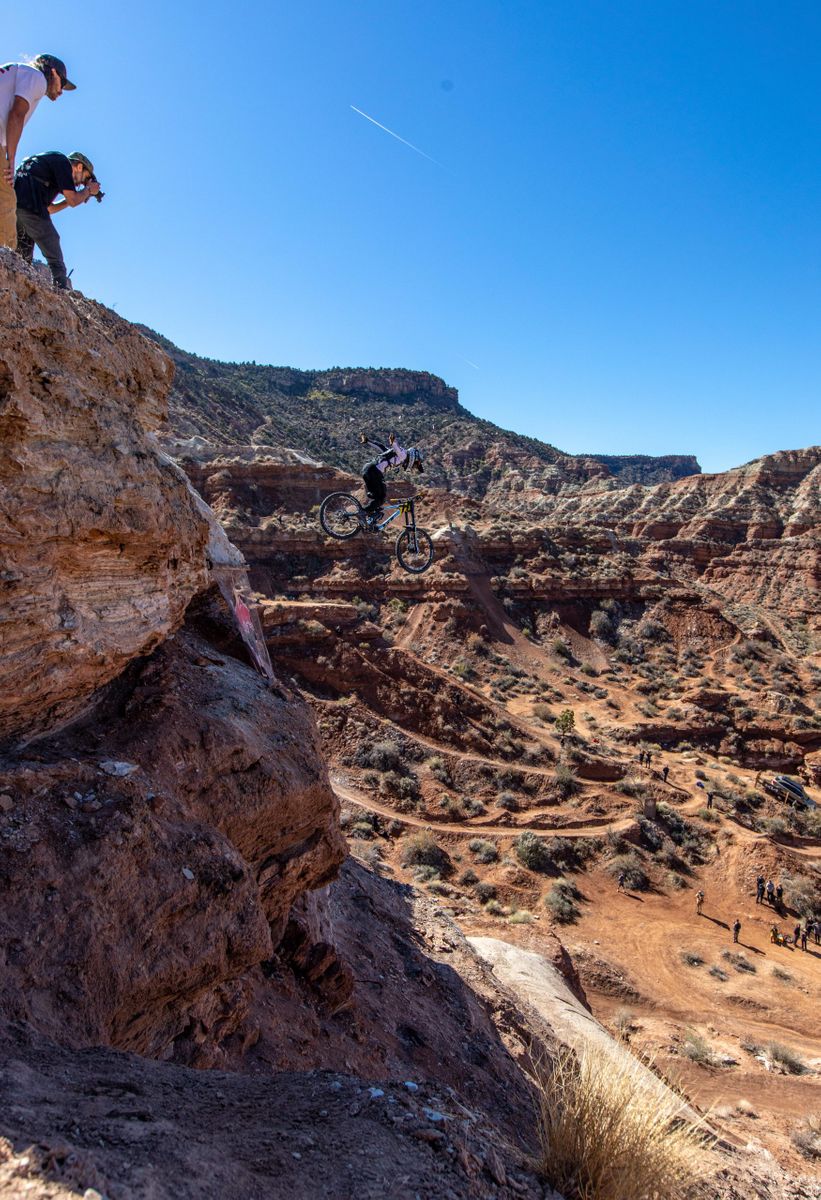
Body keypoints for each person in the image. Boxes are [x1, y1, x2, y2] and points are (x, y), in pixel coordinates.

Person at [0, 55, 75, 248]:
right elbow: (16, 114)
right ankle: (6, 266)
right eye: (62, 83)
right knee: (6, 201)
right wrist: (10, 158)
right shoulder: (37, 78)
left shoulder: (19, 72)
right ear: (53, 73)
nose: (61, 92)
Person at [14, 150, 99, 289]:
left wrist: (78, 195)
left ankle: (16, 292)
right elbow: (73, 200)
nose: (80, 184)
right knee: (55, 253)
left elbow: (50, 209)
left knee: (21, 258)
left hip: (18, 208)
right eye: (85, 178)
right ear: (78, 167)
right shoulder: (63, 163)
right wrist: (88, 190)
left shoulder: (50, 164)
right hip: (31, 209)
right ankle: (61, 293)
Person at [359, 432, 423, 522]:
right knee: (381, 497)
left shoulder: (395, 456)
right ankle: (363, 513)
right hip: (374, 471)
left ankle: (367, 515)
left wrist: (368, 441)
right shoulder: (403, 455)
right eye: (415, 464)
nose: (413, 466)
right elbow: (396, 448)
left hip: (367, 469)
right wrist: (393, 442)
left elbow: (381, 447)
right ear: (413, 458)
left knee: (377, 497)